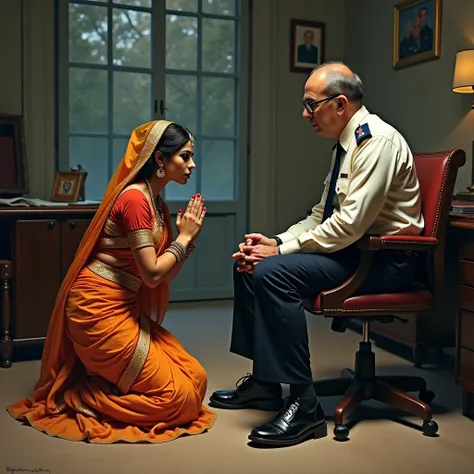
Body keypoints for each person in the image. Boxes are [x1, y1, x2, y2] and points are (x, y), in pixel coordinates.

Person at [209, 62, 424, 448]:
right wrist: (273, 242)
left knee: (272, 274)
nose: (305, 114)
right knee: (250, 265)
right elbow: (320, 216)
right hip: (353, 253)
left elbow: (350, 226)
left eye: (311, 105)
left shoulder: (375, 143)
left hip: (384, 261)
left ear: (340, 104)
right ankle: (265, 384)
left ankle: (305, 408)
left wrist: (280, 251)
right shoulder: (347, 143)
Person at [7, 120, 217, 443]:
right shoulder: (135, 200)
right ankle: (78, 398)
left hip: (124, 309)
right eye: (185, 157)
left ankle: (110, 382)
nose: (192, 165)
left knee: (197, 379)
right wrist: (185, 238)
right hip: (96, 314)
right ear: (160, 160)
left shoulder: (156, 203)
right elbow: (152, 274)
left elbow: (160, 274)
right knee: (182, 400)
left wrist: (184, 243)